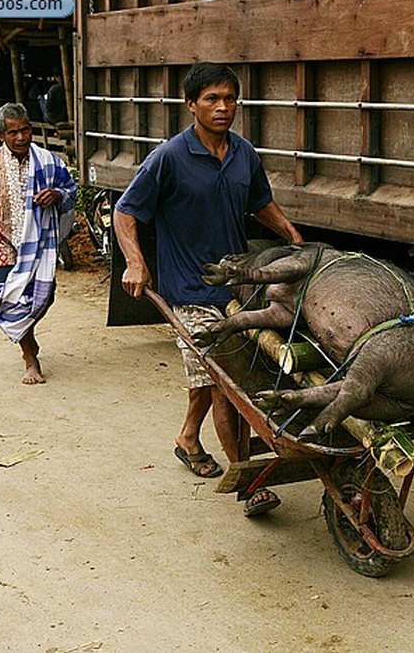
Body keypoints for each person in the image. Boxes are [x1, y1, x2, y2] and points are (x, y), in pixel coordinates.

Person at [114, 62, 302, 516]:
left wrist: (295, 239)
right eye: (212, 99)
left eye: (230, 99)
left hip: (238, 288)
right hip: (188, 291)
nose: (223, 108)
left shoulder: (243, 155)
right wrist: (137, 262)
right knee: (227, 387)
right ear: (191, 105)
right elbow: (126, 212)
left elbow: (260, 203)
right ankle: (248, 483)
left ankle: (186, 437)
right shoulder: (169, 158)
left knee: (213, 380)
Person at [0, 103, 76, 385]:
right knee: (12, 300)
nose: (21, 137)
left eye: (25, 130)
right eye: (13, 133)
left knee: (44, 296)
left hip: (38, 244)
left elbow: (69, 189)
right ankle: (30, 357)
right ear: (0, 135)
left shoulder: (49, 161)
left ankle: (27, 337)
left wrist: (56, 195)